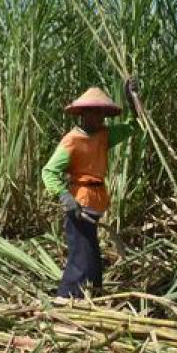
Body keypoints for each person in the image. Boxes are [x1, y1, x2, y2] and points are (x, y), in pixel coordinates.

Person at [42, 79, 140, 299]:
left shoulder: (104, 136)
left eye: (101, 114)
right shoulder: (72, 141)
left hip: (96, 200)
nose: (98, 118)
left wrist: (133, 100)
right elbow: (48, 172)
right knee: (81, 253)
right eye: (93, 113)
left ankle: (95, 293)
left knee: (93, 253)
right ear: (83, 114)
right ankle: (65, 298)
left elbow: (135, 127)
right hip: (79, 202)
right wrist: (65, 196)